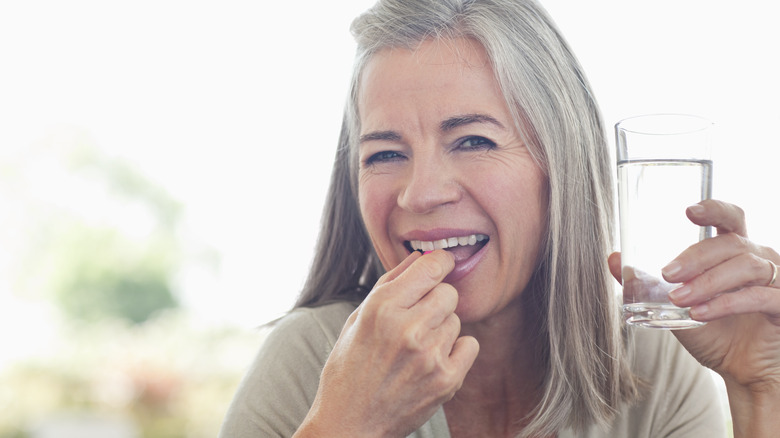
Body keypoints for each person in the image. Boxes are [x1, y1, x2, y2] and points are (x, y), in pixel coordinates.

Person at [219, 0, 780, 436]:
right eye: (385, 154)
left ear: (561, 167)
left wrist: (762, 392)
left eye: (473, 140)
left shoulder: (655, 363)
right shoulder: (311, 363)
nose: (421, 194)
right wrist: (347, 427)